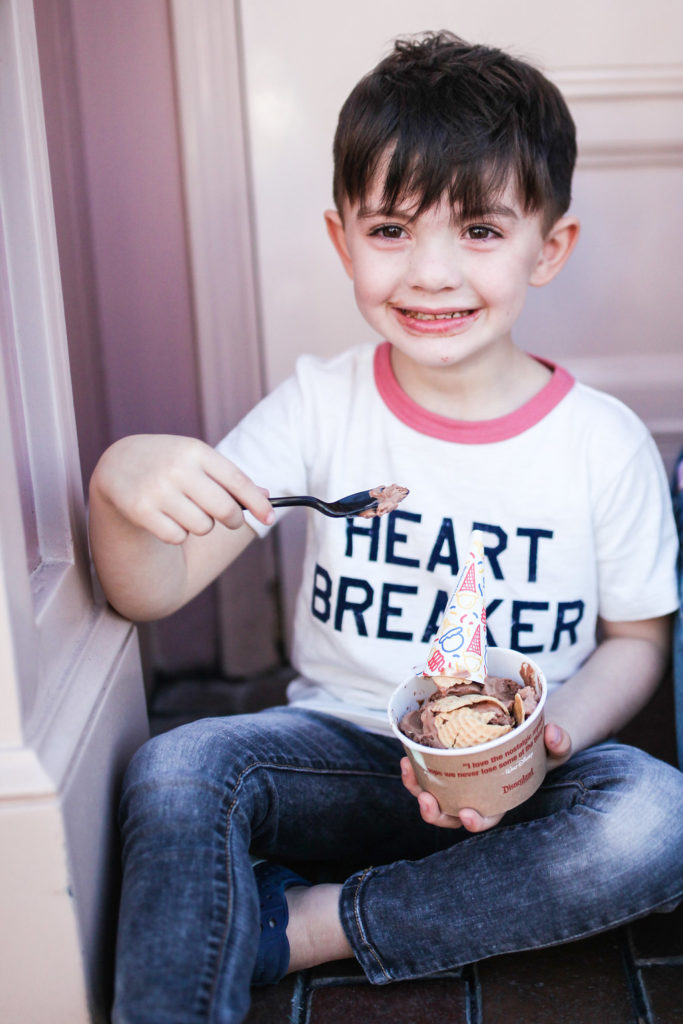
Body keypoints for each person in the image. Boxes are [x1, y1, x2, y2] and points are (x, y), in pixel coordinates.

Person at [89, 32, 683, 1024]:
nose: (431, 273)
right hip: (338, 754)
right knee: (177, 766)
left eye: (479, 230)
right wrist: (119, 486)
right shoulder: (318, 408)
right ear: (341, 240)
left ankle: (302, 926)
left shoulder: (600, 443)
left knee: (656, 817)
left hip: (522, 781)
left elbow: (637, 640)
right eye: (392, 229)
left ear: (548, 248)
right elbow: (148, 588)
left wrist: (553, 740)